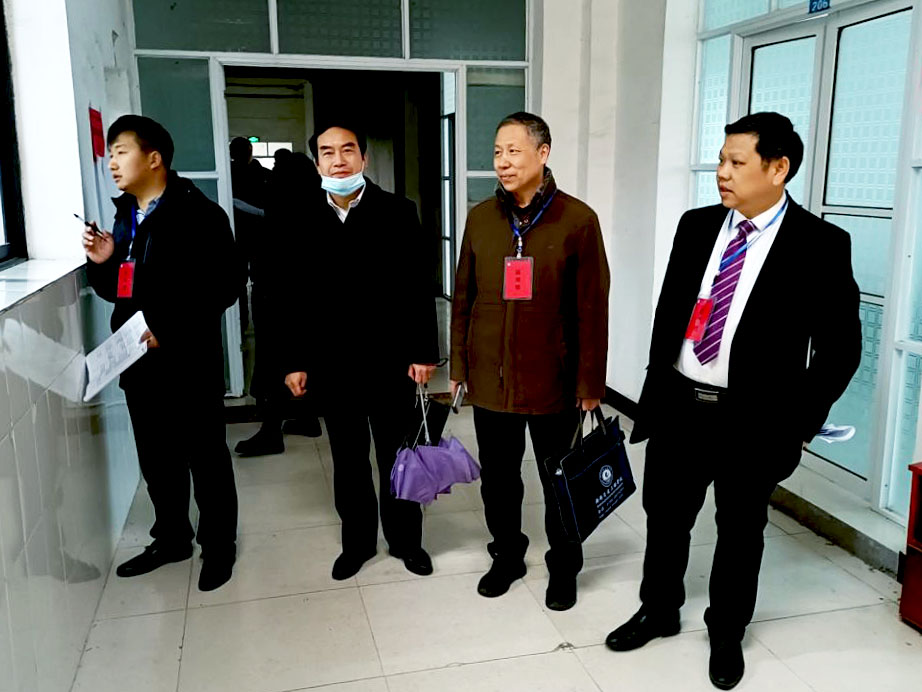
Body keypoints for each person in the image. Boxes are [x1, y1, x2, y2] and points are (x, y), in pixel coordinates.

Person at [604, 112, 861, 690]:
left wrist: (799, 423)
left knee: (740, 529)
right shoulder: (697, 226)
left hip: (756, 421)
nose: (722, 172)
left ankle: (726, 631)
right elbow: (670, 312)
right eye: (721, 159)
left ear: (778, 168)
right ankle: (658, 609)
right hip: (679, 405)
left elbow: (841, 349)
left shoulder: (820, 244)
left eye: (736, 162)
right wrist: (656, 386)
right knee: (665, 517)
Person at [450, 112, 610, 611]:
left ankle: (564, 568)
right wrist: (459, 367)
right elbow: (463, 297)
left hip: (554, 380)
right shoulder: (481, 219)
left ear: (543, 153)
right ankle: (507, 555)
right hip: (490, 379)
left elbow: (592, 308)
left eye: (514, 151)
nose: (503, 161)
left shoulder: (578, 220)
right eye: (498, 152)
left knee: (559, 480)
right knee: (499, 480)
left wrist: (590, 382)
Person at [82, 115, 244, 592]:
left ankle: (219, 545)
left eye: (121, 152)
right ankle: (172, 538)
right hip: (139, 362)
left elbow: (225, 285)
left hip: (189, 361)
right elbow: (121, 291)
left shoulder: (199, 214)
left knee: (205, 457)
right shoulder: (125, 216)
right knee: (157, 457)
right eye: (110, 154)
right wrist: (104, 262)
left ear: (154, 159)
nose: (112, 163)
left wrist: (167, 328)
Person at [283, 121, 440, 580]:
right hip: (332, 364)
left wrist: (424, 352)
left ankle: (406, 540)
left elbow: (418, 287)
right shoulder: (300, 217)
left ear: (363, 158)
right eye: (328, 152)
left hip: (391, 360)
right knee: (349, 460)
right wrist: (294, 361)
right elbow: (290, 296)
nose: (338, 160)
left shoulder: (398, 212)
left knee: (398, 455)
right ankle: (357, 543)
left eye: (347, 150)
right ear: (317, 163)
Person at [232, 142, 321, 457]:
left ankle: (271, 433)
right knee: (302, 358)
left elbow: (270, 255)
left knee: (273, 363)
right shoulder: (316, 207)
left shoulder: (282, 211)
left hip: (277, 298)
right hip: (305, 301)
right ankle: (308, 418)